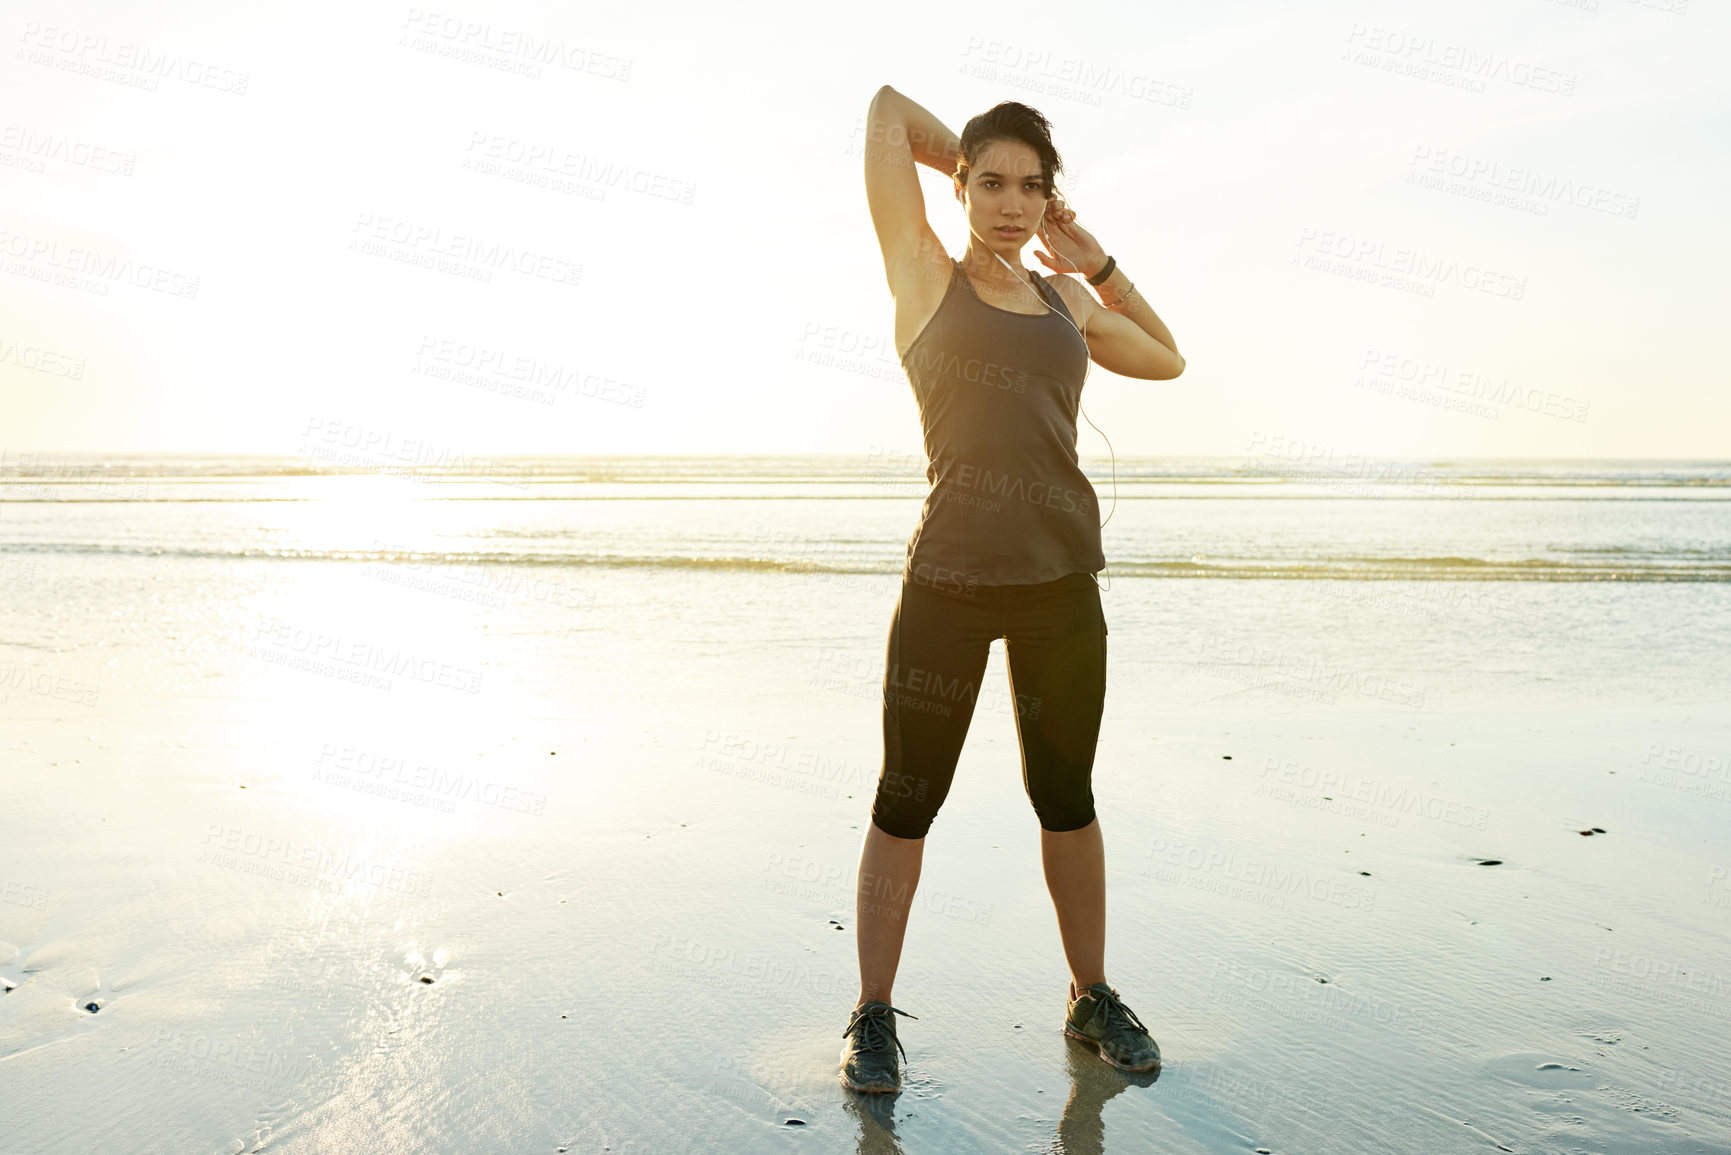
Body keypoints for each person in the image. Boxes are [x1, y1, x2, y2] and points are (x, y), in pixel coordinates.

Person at [840, 85, 1186, 1094]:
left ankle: (1091, 993)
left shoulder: (1063, 300)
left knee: (1065, 797)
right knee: (906, 801)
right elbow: (886, 113)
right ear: (959, 188)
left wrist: (1097, 261)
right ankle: (871, 1014)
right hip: (948, 583)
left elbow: (1166, 359)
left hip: (1060, 587)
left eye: (1031, 188)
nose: (1011, 204)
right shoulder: (922, 278)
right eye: (991, 184)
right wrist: (968, 162)